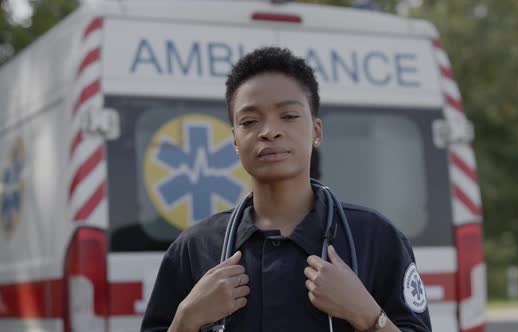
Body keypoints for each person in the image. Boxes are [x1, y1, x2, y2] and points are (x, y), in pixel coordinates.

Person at [141, 47, 432, 332]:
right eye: (250, 121)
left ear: (317, 131)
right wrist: (187, 319)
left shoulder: (374, 238)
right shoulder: (195, 247)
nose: (269, 131)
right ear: (234, 140)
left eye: (289, 116)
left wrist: (367, 314)